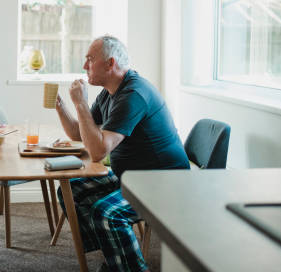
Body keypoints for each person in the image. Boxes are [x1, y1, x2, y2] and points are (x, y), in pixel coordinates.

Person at [55, 35, 190, 272]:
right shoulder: (110, 92)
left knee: (107, 214)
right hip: (132, 177)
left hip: (164, 182)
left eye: (89, 60)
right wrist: (61, 106)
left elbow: (97, 152)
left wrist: (81, 104)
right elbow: (80, 134)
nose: (84, 66)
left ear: (110, 63)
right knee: (71, 189)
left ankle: (130, 267)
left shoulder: (133, 94)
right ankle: (114, 253)